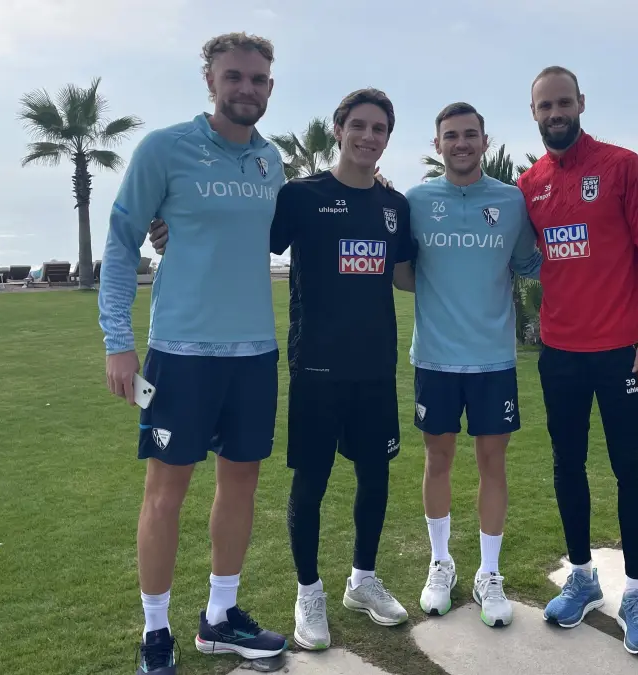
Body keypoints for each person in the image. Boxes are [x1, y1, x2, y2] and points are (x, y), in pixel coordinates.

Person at [97, 32, 289, 675]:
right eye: (234, 76)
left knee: (241, 486)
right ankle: (155, 631)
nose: (246, 89)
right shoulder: (165, 148)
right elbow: (122, 241)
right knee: (165, 492)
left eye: (257, 79)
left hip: (255, 353)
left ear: (270, 86)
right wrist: (119, 343)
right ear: (210, 80)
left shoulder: (271, 162)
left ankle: (219, 618)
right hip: (179, 353)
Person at [515, 65, 638, 657]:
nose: (555, 113)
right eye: (545, 106)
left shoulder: (622, 166)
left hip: (622, 353)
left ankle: (636, 594)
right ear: (533, 113)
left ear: (580, 103)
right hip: (560, 354)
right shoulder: (529, 184)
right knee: (567, 465)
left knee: (630, 468)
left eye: (563, 102)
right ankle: (581, 577)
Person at [269, 87, 416, 651]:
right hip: (316, 366)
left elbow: (406, 276)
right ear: (338, 129)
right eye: (358, 125)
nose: (368, 137)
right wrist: (172, 230)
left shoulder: (394, 206)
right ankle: (309, 592)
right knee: (311, 481)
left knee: (375, 476)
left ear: (387, 138)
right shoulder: (301, 196)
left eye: (379, 129)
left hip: (375, 367)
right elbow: (248, 240)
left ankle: (362, 580)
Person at [395, 102, 542, 628]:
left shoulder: (511, 200)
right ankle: (441, 564)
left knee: (492, 464)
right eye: (451, 135)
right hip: (435, 359)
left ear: (484, 140)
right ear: (437, 144)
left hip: (493, 360)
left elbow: (528, 262)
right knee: (437, 461)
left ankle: (489, 573)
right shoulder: (415, 201)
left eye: (470, 134)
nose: (461, 143)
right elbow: (402, 273)